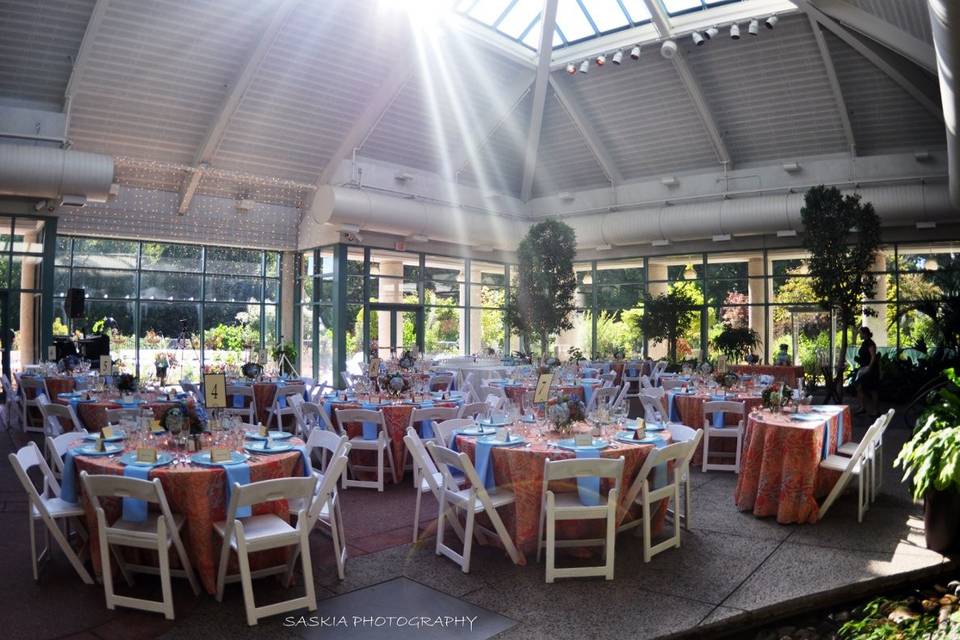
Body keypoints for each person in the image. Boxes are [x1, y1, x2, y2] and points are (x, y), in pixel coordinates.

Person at [855, 326, 880, 416]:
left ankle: (875, 410)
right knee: (859, 387)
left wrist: (869, 367)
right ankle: (862, 407)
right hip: (864, 368)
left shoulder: (870, 343)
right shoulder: (864, 343)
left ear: (865, 334)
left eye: (860, 333)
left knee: (873, 389)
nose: (859, 335)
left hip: (870, 369)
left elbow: (873, 356)